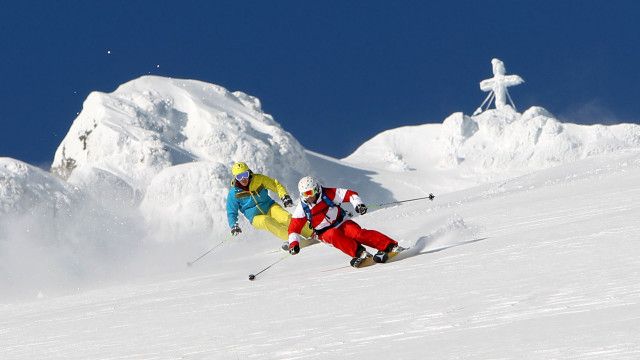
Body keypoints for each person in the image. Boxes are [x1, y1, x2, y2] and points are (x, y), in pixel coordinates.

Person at [287, 176, 403, 268]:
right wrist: (294, 244)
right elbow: (293, 228)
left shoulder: (328, 193)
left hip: (341, 222)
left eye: (310, 193)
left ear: (316, 189)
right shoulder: (302, 208)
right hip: (324, 232)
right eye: (304, 194)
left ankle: (390, 246)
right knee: (333, 235)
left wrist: (358, 204)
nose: (308, 197)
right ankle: (361, 254)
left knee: (357, 234)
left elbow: (350, 194)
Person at [226, 162, 313, 243]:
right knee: (267, 221)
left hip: (270, 207)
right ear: (235, 178)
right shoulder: (233, 193)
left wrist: (284, 196)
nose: (243, 179)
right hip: (255, 217)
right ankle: (293, 240)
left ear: (249, 173)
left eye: (245, 174)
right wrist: (233, 225)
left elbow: (275, 185)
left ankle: (312, 233)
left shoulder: (259, 179)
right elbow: (231, 212)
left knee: (286, 218)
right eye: (239, 176)